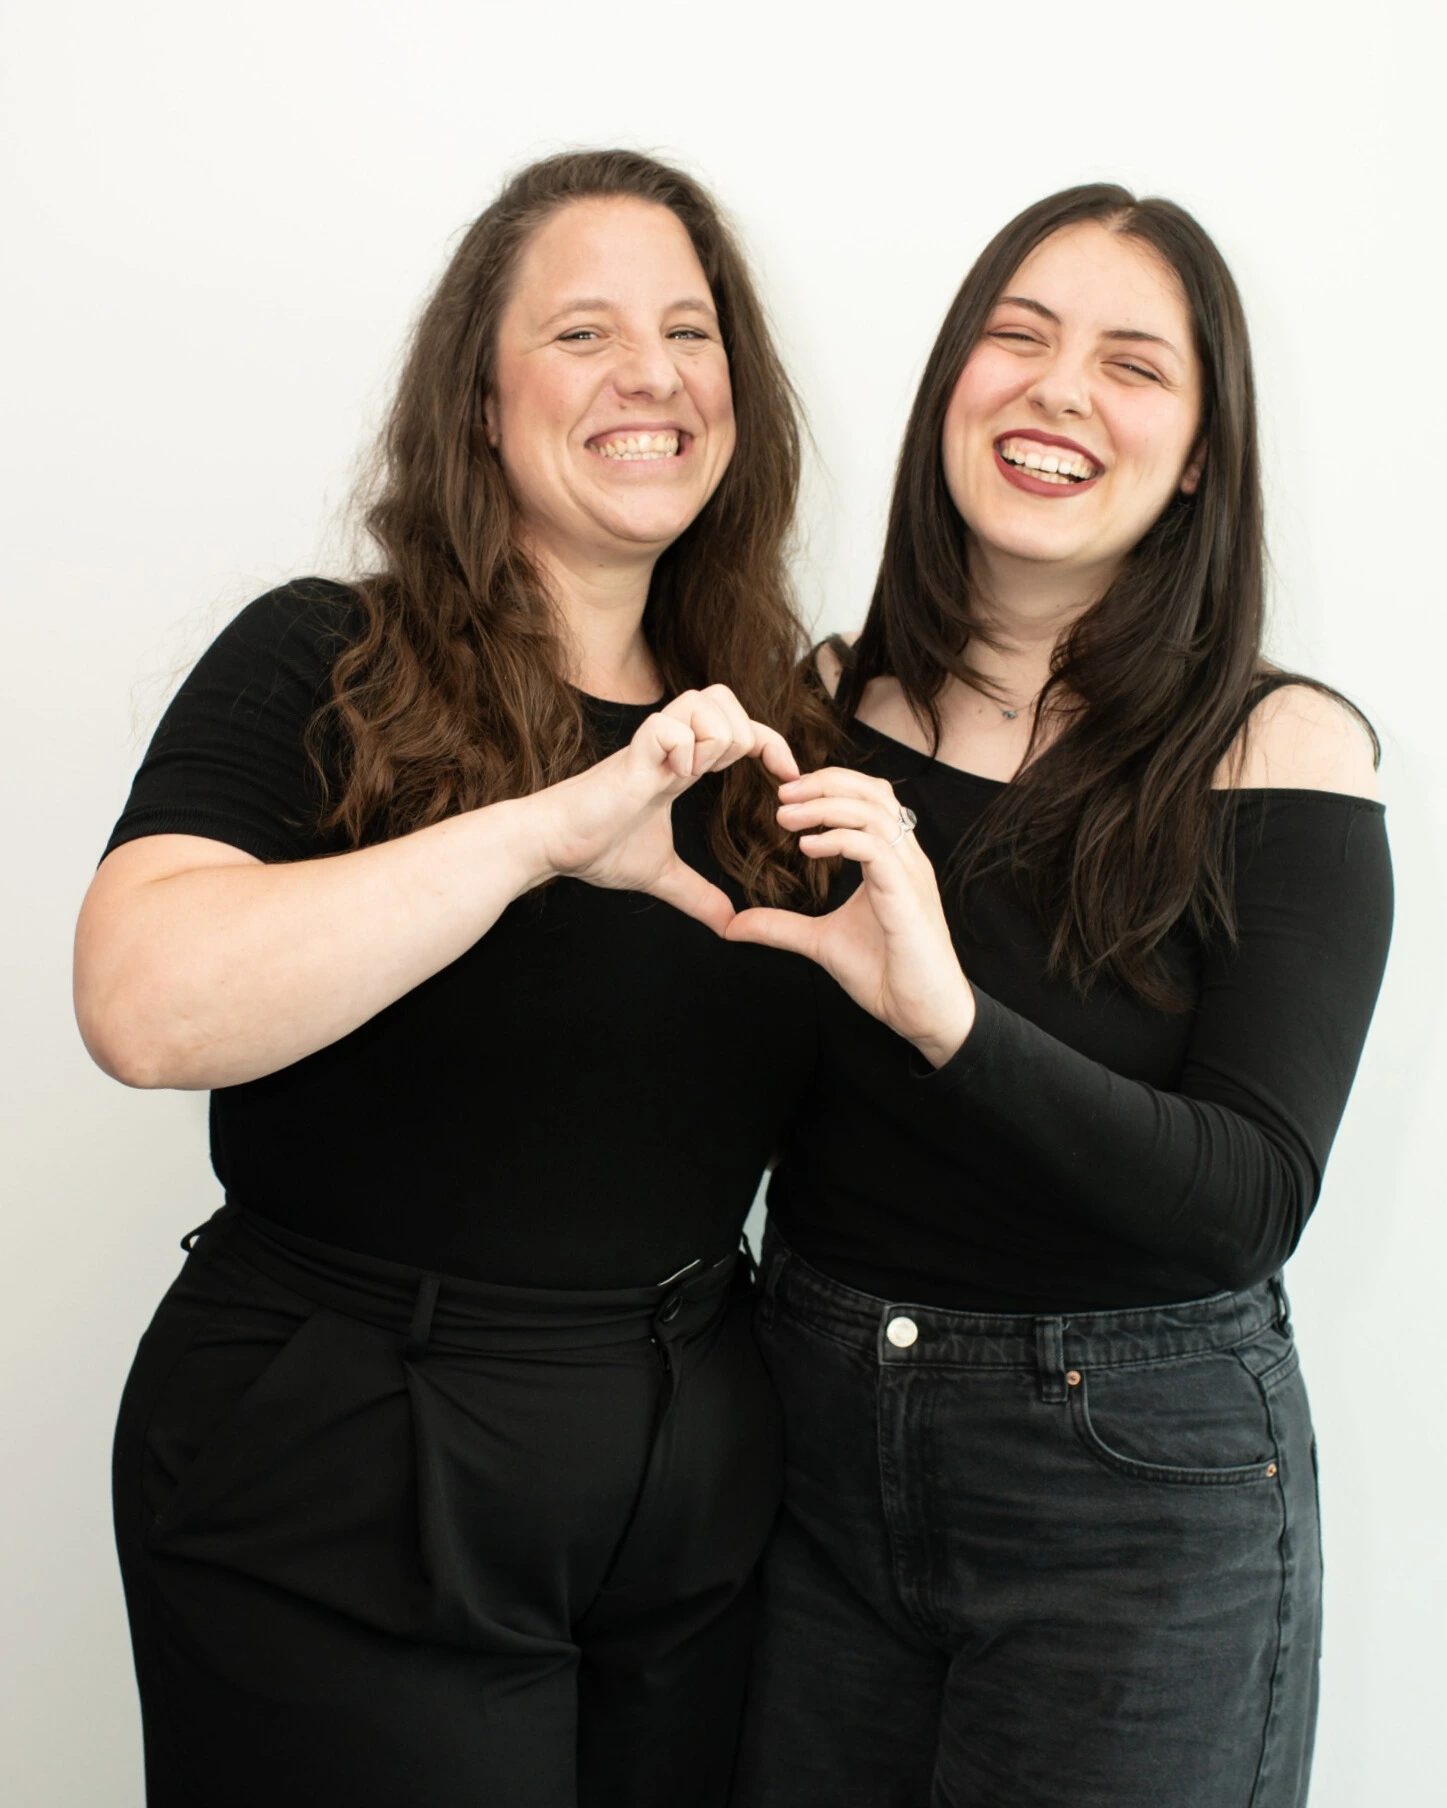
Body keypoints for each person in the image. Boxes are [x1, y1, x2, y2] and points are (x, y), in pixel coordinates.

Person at [75, 148, 835, 1808]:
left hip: (691, 1476)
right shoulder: (321, 657)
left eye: (690, 331)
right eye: (581, 333)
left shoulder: (781, 731)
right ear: (477, 404)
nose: (650, 373)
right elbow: (142, 1004)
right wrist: (537, 836)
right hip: (349, 1465)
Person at [726, 185, 1392, 1808]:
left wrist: (947, 1018)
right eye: (1013, 338)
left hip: (1131, 1495)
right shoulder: (814, 709)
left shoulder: (1278, 753)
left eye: (1131, 365)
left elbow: (1245, 1198)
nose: (1055, 390)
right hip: (799, 1448)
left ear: (1199, 458)